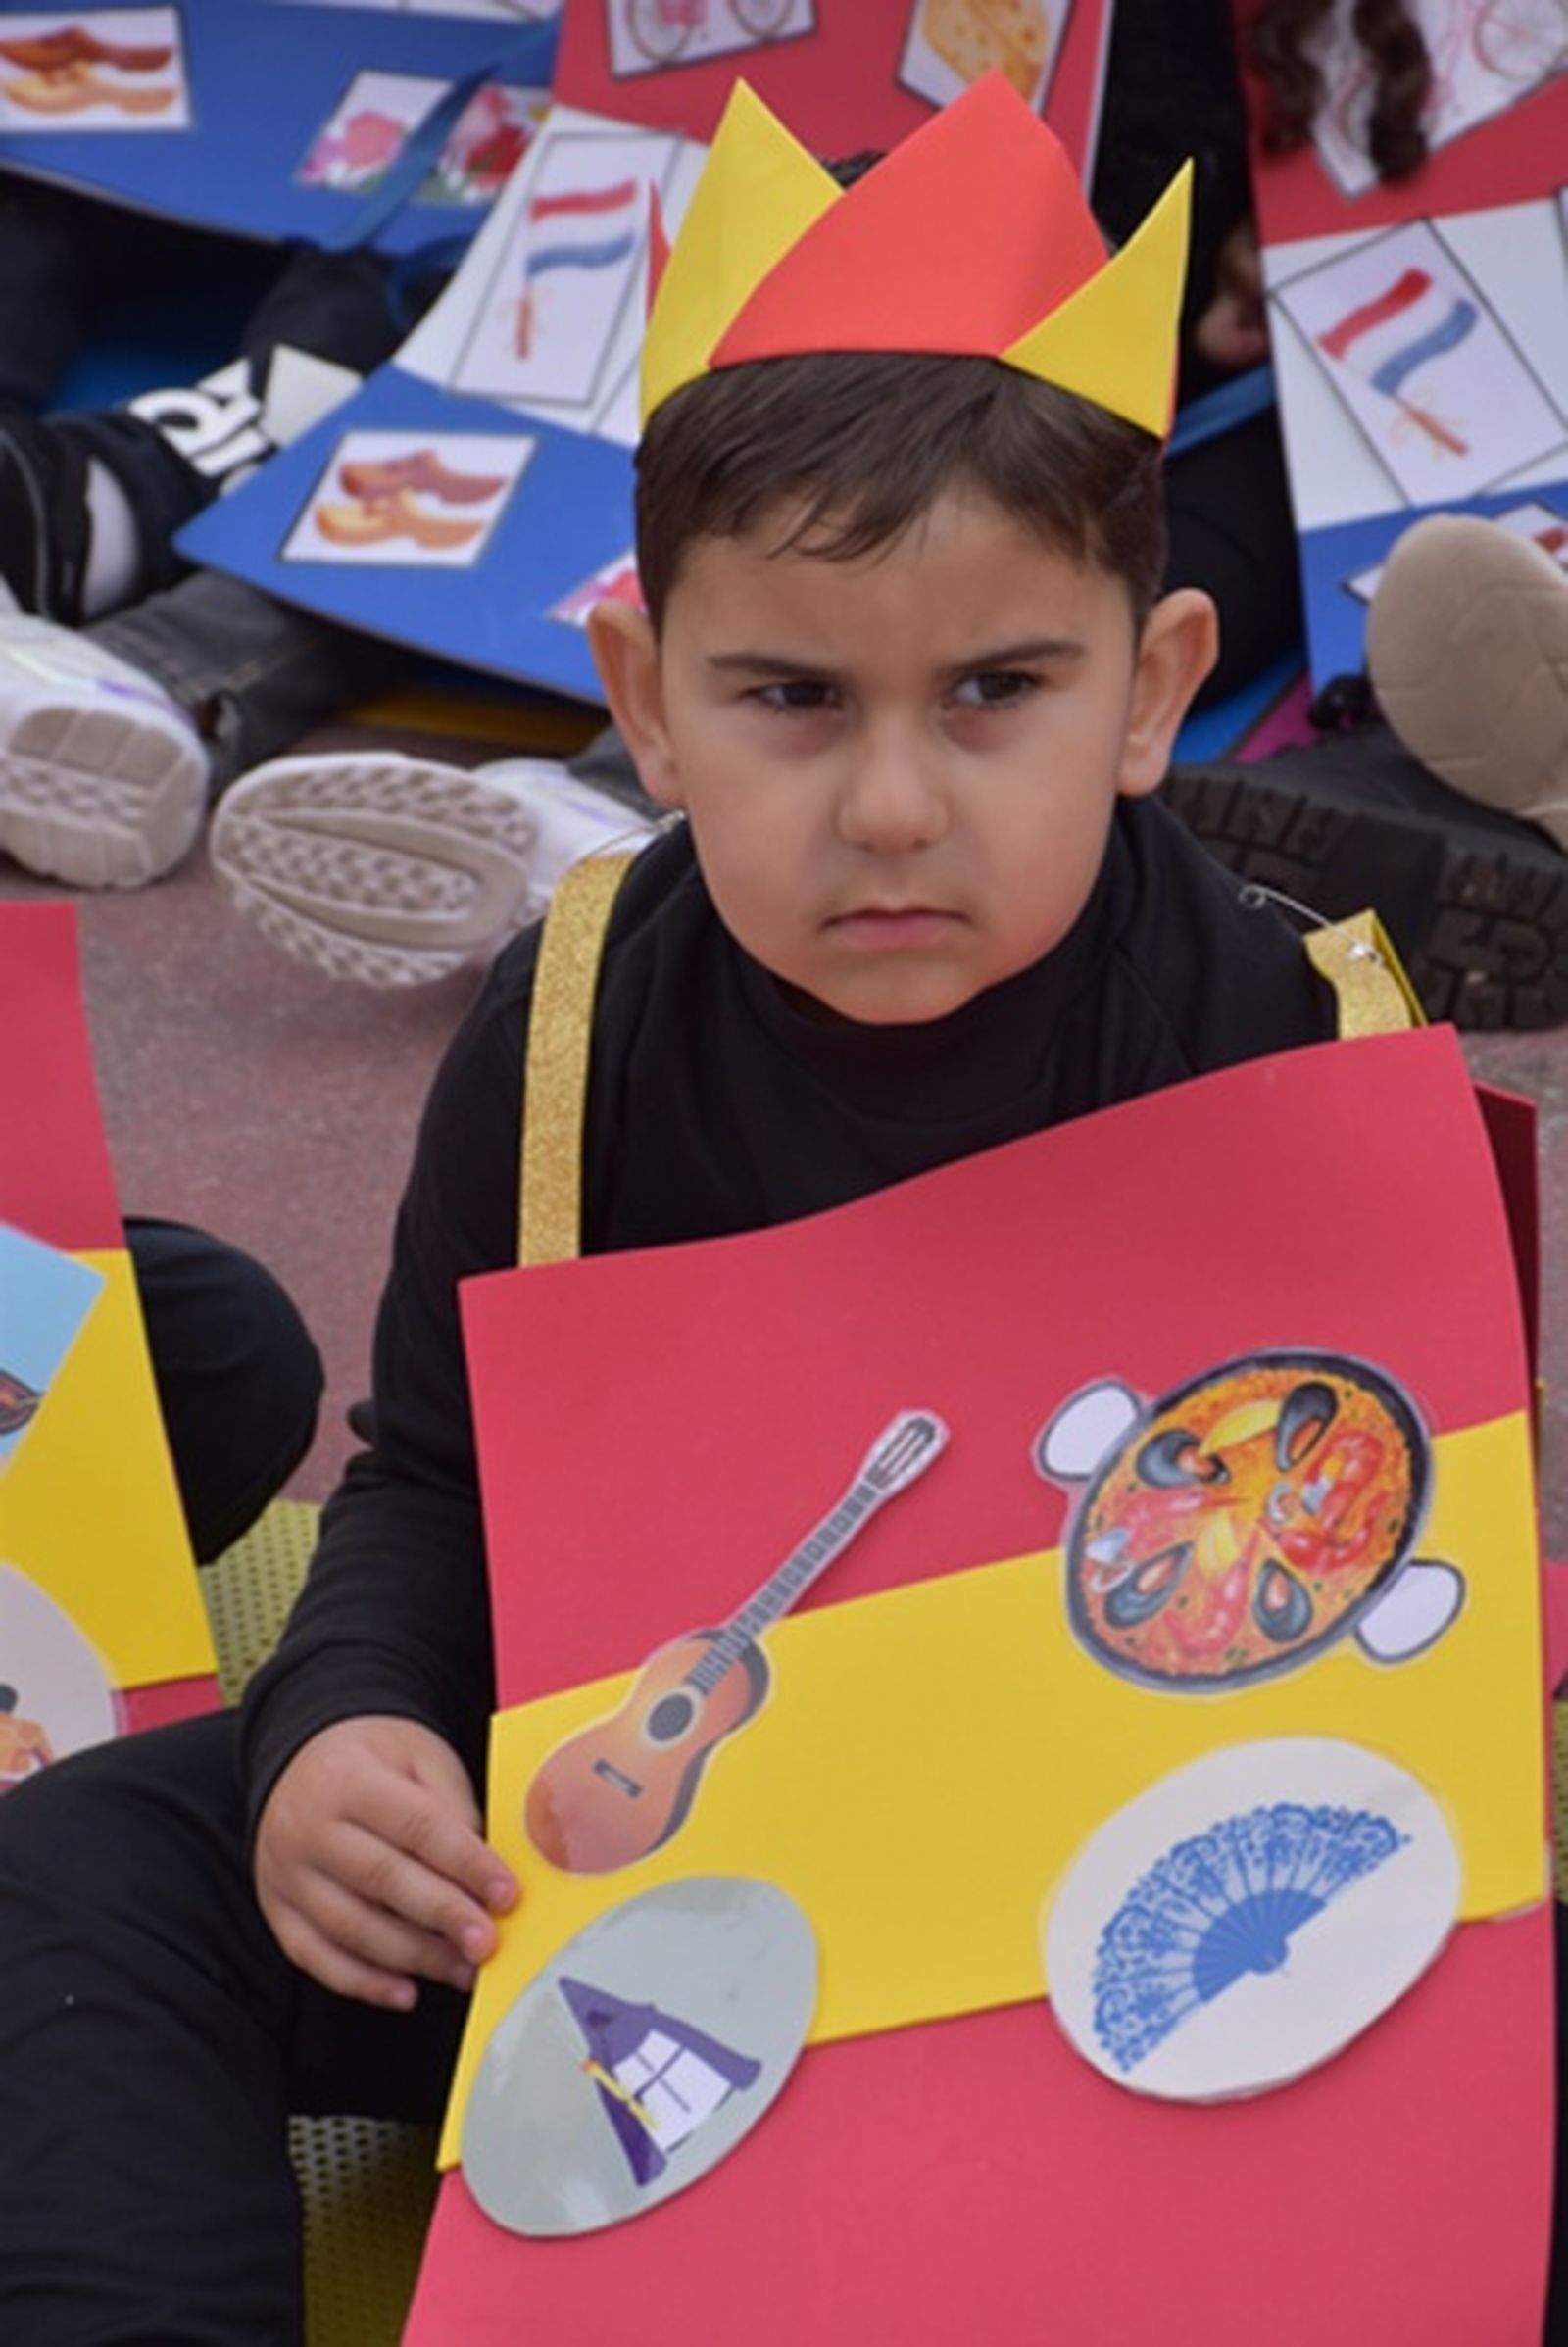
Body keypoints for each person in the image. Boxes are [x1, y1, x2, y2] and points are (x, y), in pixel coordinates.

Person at [0, 80, 1396, 2342]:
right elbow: (435, 1475)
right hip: (620, 1892)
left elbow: (1358, 1554)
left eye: (993, 695)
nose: (885, 803)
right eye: (786, 698)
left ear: (1147, 696)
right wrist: (344, 1734)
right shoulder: (569, 1026)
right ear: (643, 704)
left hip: (1089, 1916)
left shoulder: (1278, 1038)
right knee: (78, 1877)